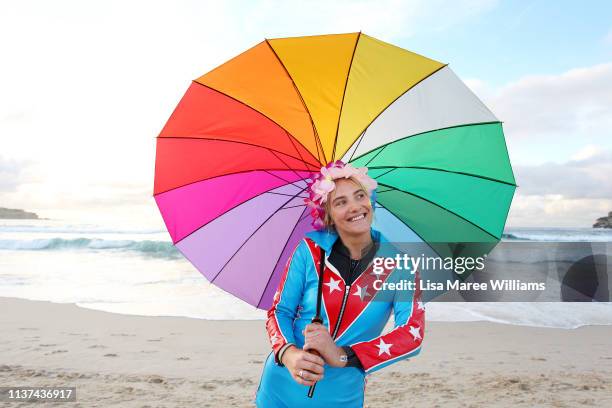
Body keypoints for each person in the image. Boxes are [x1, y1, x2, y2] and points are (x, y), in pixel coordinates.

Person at [255, 161, 425, 407]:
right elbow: (280, 311)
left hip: (342, 397)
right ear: (328, 216)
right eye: (341, 202)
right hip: (280, 389)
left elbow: (412, 333)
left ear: (371, 200)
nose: (355, 206)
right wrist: (288, 354)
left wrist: (342, 355)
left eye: (359, 195)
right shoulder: (309, 250)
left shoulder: (400, 265)